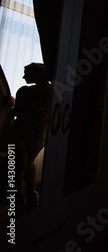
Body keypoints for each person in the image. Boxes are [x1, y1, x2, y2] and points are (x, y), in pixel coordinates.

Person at [8, 63, 53, 211]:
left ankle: (18, 200)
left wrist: (11, 104)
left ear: (34, 75)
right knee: (30, 163)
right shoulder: (52, 91)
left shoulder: (25, 92)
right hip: (39, 134)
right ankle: (32, 197)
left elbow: (18, 113)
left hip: (21, 132)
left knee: (18, 167)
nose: (23, 76)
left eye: (26, 73)